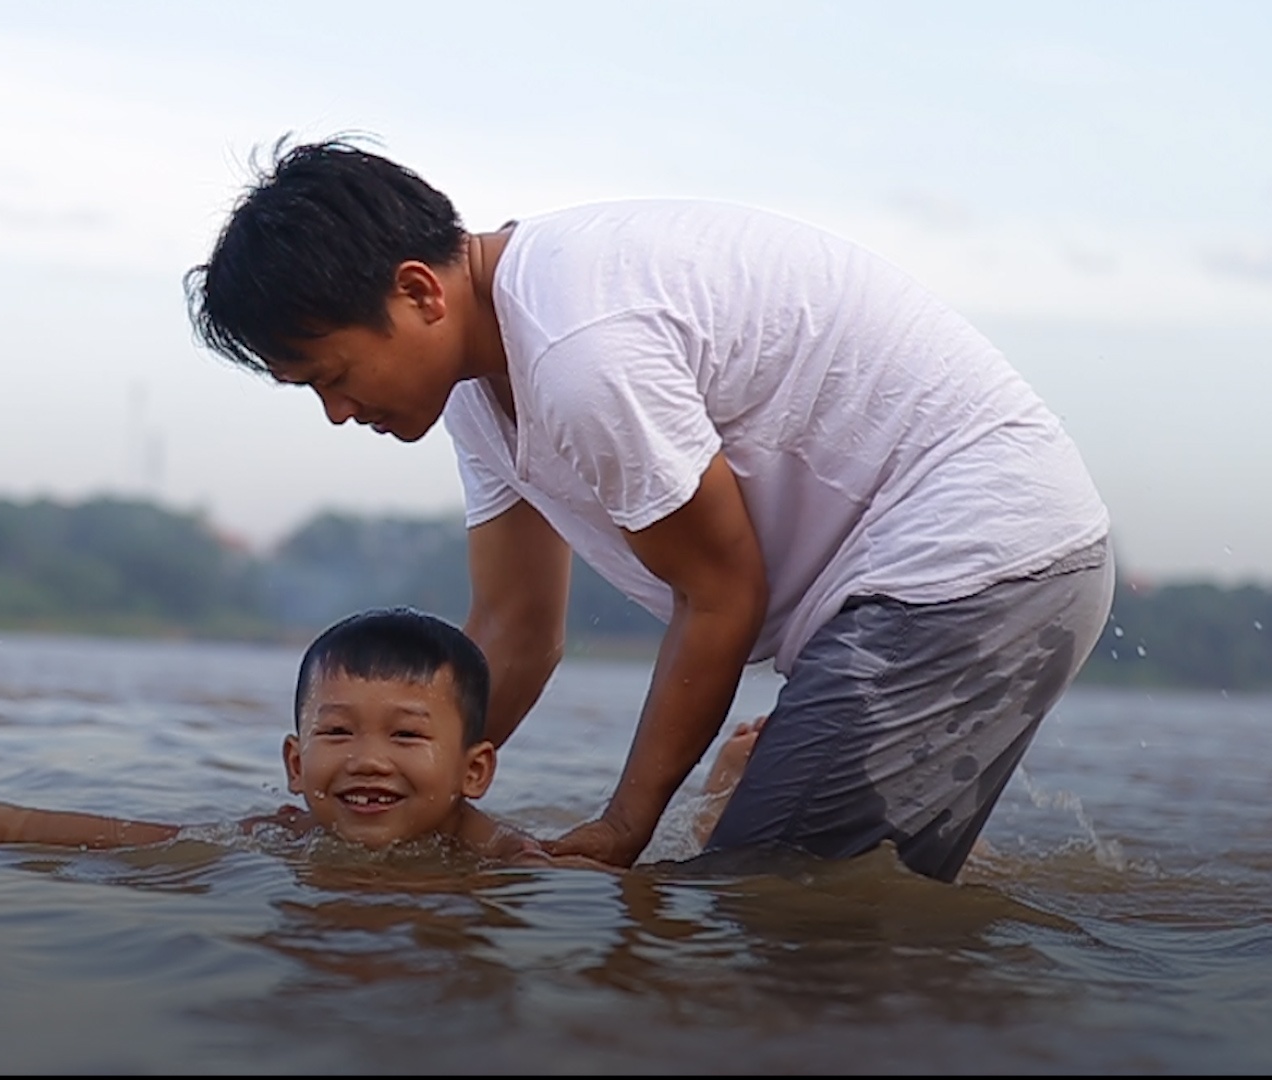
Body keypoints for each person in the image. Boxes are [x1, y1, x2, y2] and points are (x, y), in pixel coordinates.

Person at [184, 140, 1114, 882]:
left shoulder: (579, 348)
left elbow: (720, 593)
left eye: (334, 377)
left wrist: (626, 824)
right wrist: (402, 801)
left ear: (418, 291)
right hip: (937, 586)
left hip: (976, 570)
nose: (339, 413)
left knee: (755, 904)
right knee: (835, 904)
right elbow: (513, 631)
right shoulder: (478, 379)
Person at [0, 607, 750, 863]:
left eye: (405, 736)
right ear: (296, 762)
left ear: (474, 772)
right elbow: (151, 844)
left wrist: (711, 825)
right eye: (335, 733)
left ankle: (718, 805)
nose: (367, 760)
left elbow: (635, 897)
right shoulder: (286, 837)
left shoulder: (501, 857)